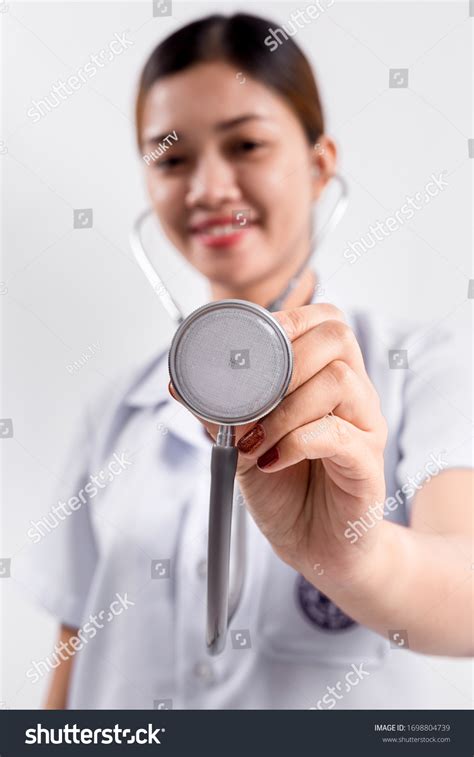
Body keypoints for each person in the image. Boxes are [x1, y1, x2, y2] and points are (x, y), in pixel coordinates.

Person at [17, 13, 472, 710]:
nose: (208, 187)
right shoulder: (115, 412)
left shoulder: (423, 366)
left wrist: (355, 558)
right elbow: (72, 660)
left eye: (247, 144)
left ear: (321, 166)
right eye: (171, 158)